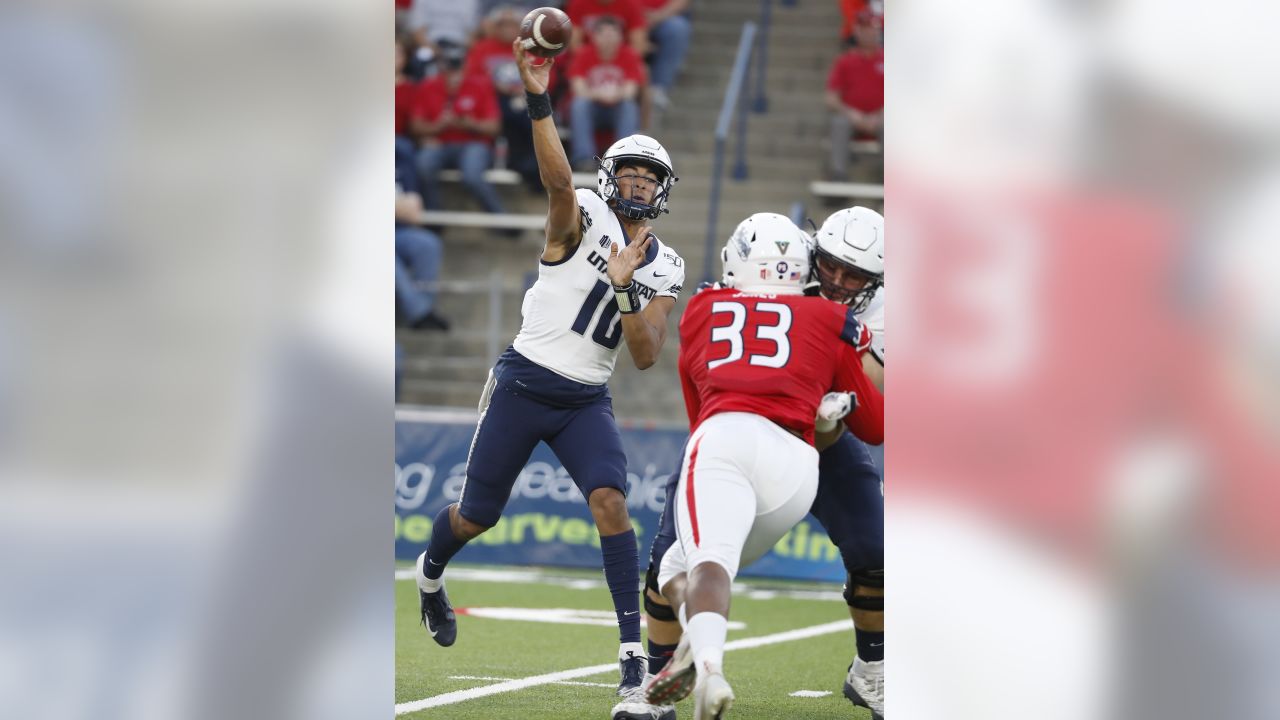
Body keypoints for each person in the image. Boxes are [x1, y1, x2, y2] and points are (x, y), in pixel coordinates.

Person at [414, 34, 687, 708]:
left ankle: (631, 659)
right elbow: (560, 179)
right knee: (477, 516)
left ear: (662, 190)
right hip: (525, 381)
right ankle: (429, 574)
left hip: (585, 398)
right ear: (610, 176)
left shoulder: (667, 265)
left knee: (611, 504)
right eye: (628, 173)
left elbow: (648, 354)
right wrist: (539, 94)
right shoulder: (582, 212)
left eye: (648, 179)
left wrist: (626, 288)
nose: (636, 185)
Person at [620, 208, 886, 720]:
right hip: (782, 439)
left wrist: (851, 349)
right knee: (664, 562)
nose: (836, 280)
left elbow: (873, 396)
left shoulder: (723, 299)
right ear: (811, 255)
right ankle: (657, 680)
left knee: (876, 551)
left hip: (821, 438)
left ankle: (871, 672)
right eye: (829, 265)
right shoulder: (809, 293)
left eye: (854, 276)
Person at [412, 42, 509, 216]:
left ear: (466, 63)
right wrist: (438, 126)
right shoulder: (428, 85)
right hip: (440, 143)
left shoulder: (481, 84)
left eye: (457, 63)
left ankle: (501, 218)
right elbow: (415, 126)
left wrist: (470, 124)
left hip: (474, 143)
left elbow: (495, 127)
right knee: (422, 165)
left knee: (472, 175)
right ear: (440, 64)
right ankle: (434, 219)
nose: (453, 69)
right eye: (449, 63)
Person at [568, 16, 646, 170]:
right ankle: (584, 159)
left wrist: (613, 96)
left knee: (629, 106)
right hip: (593, 109)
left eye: (613, 35)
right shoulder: (583, 54)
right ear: (594, 36)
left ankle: (623, 159)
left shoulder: (630, 55)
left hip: (617, 109)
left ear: (621, 37)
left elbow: (631, 91)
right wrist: (601, 95)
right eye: (604, 35)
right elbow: (578, 89)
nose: (608, 40)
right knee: (579, 105)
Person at [825, 10, 884, 180]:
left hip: (881, 118)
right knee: (839, 123)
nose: (869, 33)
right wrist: (852, 114)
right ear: (857, 31)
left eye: (872, 28)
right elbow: (831, 97)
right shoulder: (845, 60)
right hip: (852, 117)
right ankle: (838, 175)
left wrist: (879, 115)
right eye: (865, 28)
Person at [639, 0, 692, 110]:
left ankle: (659, 88)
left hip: (663, 17)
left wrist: (658, 16)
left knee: (678, 28)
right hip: (629, 15)